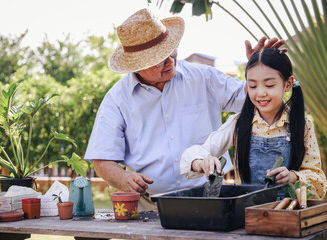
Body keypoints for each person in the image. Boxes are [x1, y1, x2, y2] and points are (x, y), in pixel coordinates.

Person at [84, 8, 286, 209]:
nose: (170, 61)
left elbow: (253, 100)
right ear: (136, 66)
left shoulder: (204, 77)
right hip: (152, 207)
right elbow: (102, 159)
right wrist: (124, 178)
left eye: (171, 52)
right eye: (159, 60)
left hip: (211, 198)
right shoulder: (117, 99)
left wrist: (258, 72)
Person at [181, 48, 327, 199]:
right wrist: (201, 162)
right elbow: (197, 152)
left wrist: (293, 177)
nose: (260, 93)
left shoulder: (302, 124)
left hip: (288, 214)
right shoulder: (239, 123)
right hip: (246, 215)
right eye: (252, 86)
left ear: (288, 84)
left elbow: (318, 181)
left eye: (269, 85)